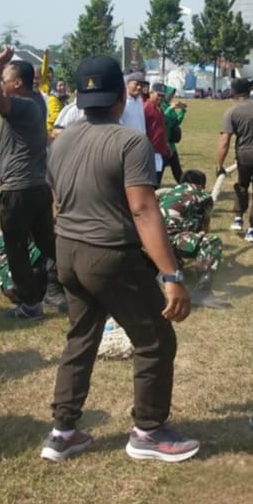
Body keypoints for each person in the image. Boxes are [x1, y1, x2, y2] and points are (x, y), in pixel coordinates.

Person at [42, 55, 197, 464]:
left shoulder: (61, 141)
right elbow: (145, 210)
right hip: (108, 254)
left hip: (68, 251)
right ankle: (148, 431)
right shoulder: (131, 142)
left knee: (81, 337)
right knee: (155, 339)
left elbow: (56, 203)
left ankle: (62, 432)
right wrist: (172, 274)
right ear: (118, 101)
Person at [0, 49, 62, 314]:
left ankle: (30, 304)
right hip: (37, 187)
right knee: (48, 244)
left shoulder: (24, 106)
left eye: (6, 78)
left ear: (17, 84)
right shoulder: (37, 101)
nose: (2, 82)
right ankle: (86, 282)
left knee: (16, 249)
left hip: (19, 189)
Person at [216, 78, 253, 243]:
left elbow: (225, 141)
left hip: (245, 156)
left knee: (242, 186)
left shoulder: (232, 112)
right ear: (249, 91)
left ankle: (237, 217)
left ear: (233, 93)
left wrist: (220, 165)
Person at [158, 169, 227, 307]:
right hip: (174, 240)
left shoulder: (169, 192)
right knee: (211, 241)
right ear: (201, 184)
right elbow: (205, 227)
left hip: (153, 242)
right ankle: (203, 291)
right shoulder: (202, 196)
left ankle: (164, 272)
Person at [144, 81, 170, 182]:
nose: (161, 98)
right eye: (158, 95)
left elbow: (162, 129)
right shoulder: (146, 107)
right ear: (151, 93)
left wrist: (166, 145)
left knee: (157, 180)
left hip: (160, 150)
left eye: (163, 96)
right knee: (151, 181)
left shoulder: (160, 109)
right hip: (151, 150)